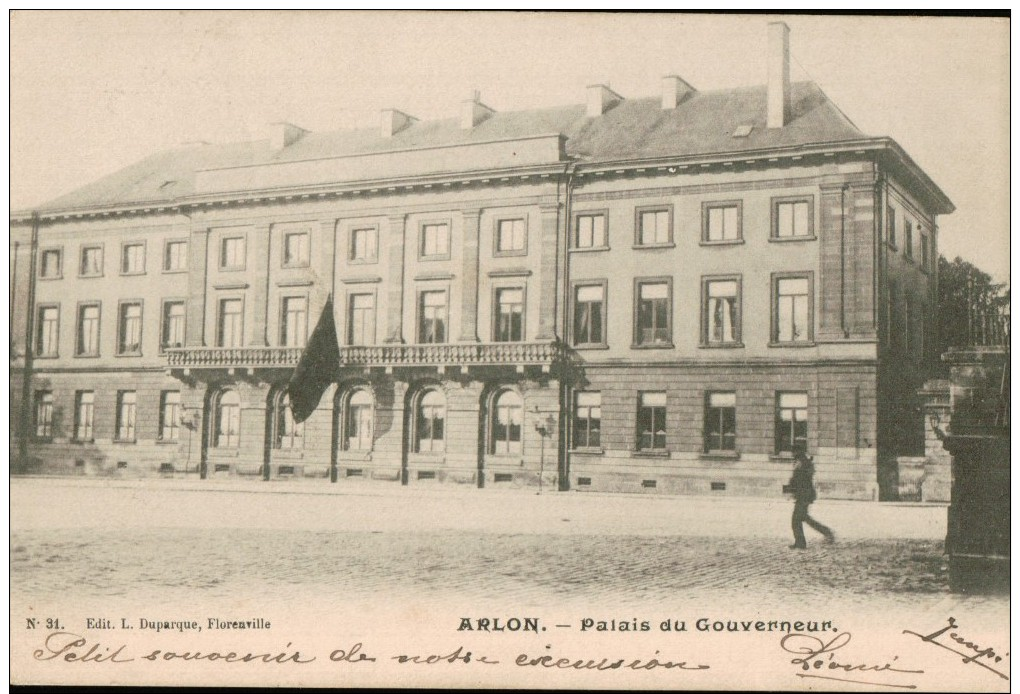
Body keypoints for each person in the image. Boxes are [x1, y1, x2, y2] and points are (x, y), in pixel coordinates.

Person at [788, 449, 835, 549]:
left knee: (796, 520)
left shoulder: (801, 465)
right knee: (804, 518)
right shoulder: (804, 463)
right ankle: (827, 532)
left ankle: (801, 543)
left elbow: (797, 480)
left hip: (803, 496)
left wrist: (790, 490)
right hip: (805, 496)